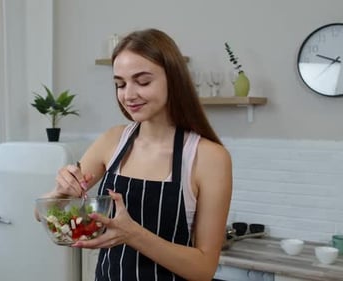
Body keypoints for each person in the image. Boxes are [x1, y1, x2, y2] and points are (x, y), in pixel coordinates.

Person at [42, 28, 232, 281]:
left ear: (173, 80)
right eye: (120, 84)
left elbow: (204, 269)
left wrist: (133, 235)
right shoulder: (113, 141)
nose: (128, 95)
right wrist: (59, 191)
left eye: (143, 82)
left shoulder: (208, 157)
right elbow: (43, 213)